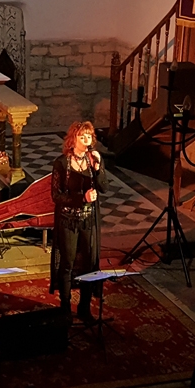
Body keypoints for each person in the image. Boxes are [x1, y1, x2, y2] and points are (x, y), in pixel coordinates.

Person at [50, 121, 108, 323]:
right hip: (68, 220)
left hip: (88, 220)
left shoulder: (94, 161)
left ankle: (84, 307)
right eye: (82, 136)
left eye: (89, 136)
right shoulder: (62, 163)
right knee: (67, 263)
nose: (86, 140)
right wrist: (81, 198)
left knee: (89, 265)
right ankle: (65, 307)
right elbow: (56, 196)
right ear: (73, 139)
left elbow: (104, 187)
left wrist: (98, 169)